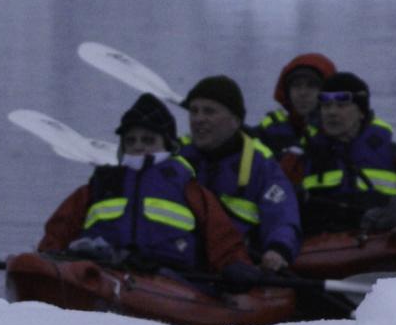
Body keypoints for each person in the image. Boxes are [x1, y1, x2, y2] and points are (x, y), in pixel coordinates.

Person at [37, 93, 261, 284]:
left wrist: (235, 265)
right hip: (103, 272)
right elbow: (59, 229)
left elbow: (221, 236)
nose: (139, 146)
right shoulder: (102, 183)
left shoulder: (186, 186)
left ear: (167, 145)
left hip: (170, 279)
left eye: (148, 139)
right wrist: (47, 262)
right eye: (131, 141)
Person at [283, 71, 396, 235]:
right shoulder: (300, 156)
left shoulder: (393, 154)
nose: (331, 112)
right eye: (326, 106)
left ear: (361, 112)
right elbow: (276, 203)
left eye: (341, 105)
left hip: (381, 243)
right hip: (320, 245)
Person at [178, 74, 302, 274]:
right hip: (186, 264)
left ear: (235, 120)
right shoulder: (179, 158)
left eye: (209, 111)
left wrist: (277, 250)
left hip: (239, 269)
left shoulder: (261, 164)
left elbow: (282, 215)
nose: (198, 119)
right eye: (194, 111)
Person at [256, 53, 337, 155]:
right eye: (296, 85)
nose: (302, 93)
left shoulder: (339, 134)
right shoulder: (269, 131)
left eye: (311, 86)